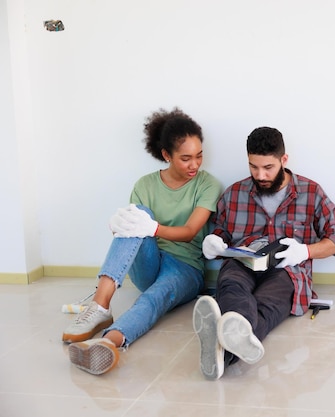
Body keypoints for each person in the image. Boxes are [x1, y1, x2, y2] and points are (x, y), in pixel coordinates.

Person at [62, 108, 221, 375]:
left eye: (199, 156)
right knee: (138, 213)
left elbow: (191, 231)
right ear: (166, 156)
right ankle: (100, 306)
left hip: (185, 268)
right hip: (149, 263)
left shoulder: (207, 185)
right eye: (185, 158)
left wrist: (154, 228)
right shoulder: (145, 185)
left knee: (152, 299)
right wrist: (119, 226)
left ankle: (108, 343)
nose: (195, 164)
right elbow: (134, 235)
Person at [193, 126, 335, 380]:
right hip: (243, 261)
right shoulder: (234, 194)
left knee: (266, 305)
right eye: (254, 167)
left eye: (268, 167)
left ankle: (220, 350)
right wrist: (214, 242)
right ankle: (229, 343)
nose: (260, 174)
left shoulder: (311, 192)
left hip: (288, 270)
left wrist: (305, 251)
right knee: (231, 286)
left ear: (283, 160)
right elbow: (221, 231)